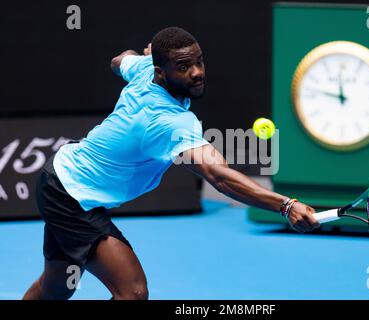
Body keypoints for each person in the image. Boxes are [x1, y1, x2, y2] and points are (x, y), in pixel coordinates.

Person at [23, 27, 319, 300]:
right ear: (161, 73)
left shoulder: (143, 70)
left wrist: (141, 57)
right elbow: (220, 177)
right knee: (133, 292)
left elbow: (118, 60)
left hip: (61, 176)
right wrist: (286, 205)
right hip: (72, 196)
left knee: (57, 285)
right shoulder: (170, 123)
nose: (197, 73)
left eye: (199, 62)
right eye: (183, 67)